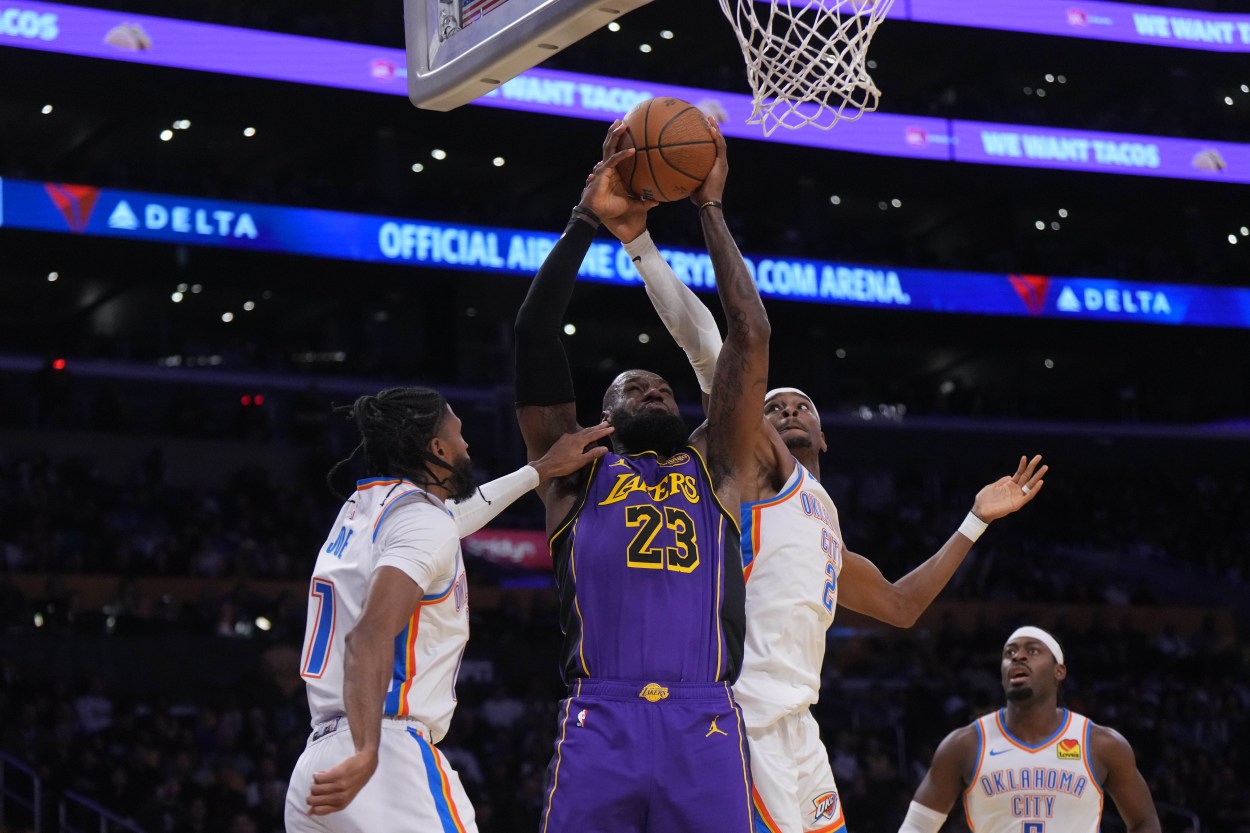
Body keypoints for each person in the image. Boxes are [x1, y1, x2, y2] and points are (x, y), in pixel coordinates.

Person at [606, 217, 1048, 833]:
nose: (786, 410)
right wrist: (642, 247)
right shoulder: (754, 467)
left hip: (796, 728)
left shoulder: (823, 522)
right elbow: (711, 344)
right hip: (737, 717)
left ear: (823, 433)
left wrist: (975, 519)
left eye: (801, 406)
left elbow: (900, 606)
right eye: (772, 406)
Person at [513, 118, 766, 833]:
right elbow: (534, 335)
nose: (655, 390)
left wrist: (709, 210)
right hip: (603, 714)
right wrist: (583, 221)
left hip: (705, 716)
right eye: (634, 387)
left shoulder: (717, 465)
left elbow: (751, 335)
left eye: (662, 386)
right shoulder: (572, 469)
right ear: (603, 412)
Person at [285, 386, 612, 832]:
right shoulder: (421, 521)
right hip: (383, 755)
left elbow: (453, 518)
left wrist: (540, 470)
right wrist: (367, 752)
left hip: (316, 766)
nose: (466, 445)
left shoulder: (360, 512)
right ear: (437, 448)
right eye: (458, 434)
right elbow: (369, 635)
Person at [899, 626, 1161, 833]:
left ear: (1059, 671)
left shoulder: (1100, 744)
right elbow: (917, 827)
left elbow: (1145, 821)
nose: (1018, 656)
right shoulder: (964, 744)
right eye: (1009, 652)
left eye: (1033, 650)